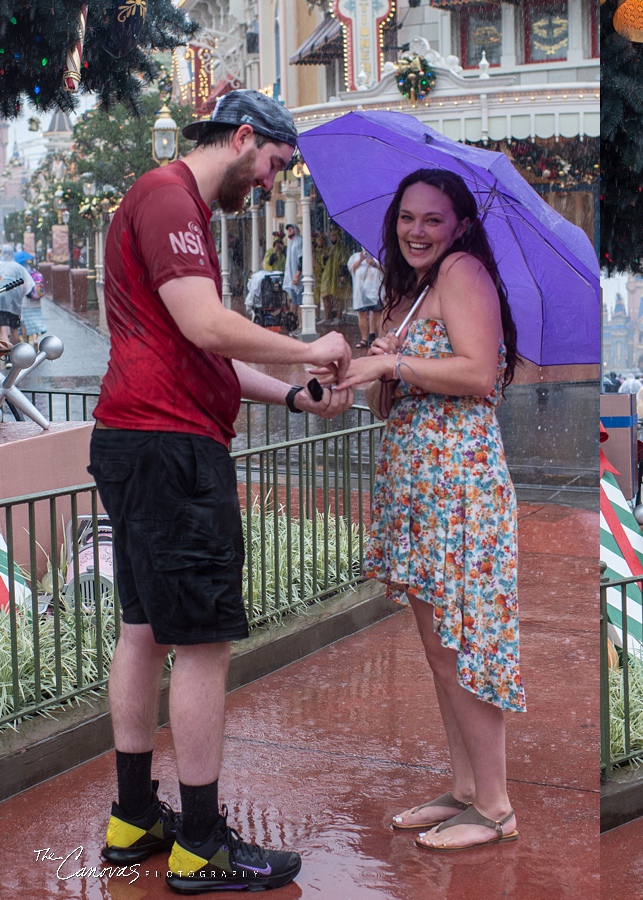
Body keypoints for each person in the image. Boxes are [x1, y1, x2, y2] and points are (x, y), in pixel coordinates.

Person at [87, 89, 354, 893]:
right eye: (274, 162)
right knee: (201, 645)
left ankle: (135, 818)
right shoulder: (171, 198)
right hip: (172, 450)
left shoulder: (172, 206)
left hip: (135, 437)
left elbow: (203, 351)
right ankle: (204, 845)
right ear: (243, 137)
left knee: (142, 629)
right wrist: (309, 345)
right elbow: (207, 327)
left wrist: (294, 392)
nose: (271, 182)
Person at [311, 168, 523, 850]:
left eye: (433, 219)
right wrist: (380, 362)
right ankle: (463, 788)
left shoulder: (462, 272)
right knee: (440, 650)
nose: (417, 230)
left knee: (465, 646)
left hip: (461, 492)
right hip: (420, 490)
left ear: (460, 225)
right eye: (408, 217)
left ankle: (495, 807)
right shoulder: (411, 293)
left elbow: (479, 374)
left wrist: (396, 365)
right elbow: (392, 400)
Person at [0, 243, 35, 347]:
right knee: (14, 329)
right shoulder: (19, 268)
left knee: (3, 329)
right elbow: (28, 285)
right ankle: (13, 354)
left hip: (1, 301)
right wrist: (19, 295)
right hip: (15, 303)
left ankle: (6, 356)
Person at [348, 247, 383, 349]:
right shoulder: (354, 257)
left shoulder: (379, 257)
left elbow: (386, 270)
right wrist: (360, 261)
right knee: (362, 315)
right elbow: (351, 269)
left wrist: (374, 264)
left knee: (377, 314)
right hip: (361, 294)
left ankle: (380, 338)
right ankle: (364, 339)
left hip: (376, 293)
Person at [319, 224, 352, 324]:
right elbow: (323, 261)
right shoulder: (329, 249)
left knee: (339, 296)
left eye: (335, 236)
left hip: (337, 275)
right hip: (328, 276)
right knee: (325, 294)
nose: (333, 238)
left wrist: (343, 275)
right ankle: (327, 317)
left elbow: (344, 262)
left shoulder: (342, 249)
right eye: (331, 236)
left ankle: (338, 317)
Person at [283, 223, 302, 306]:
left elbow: (301, 259)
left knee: (300, 303)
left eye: (291, 228)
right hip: (292, 279)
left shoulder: (299, 241)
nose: (289, 230)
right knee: (295, 303)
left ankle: (302, 319)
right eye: (288, 229)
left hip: (298, 279)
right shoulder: (290, 244)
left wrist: (297, 275)